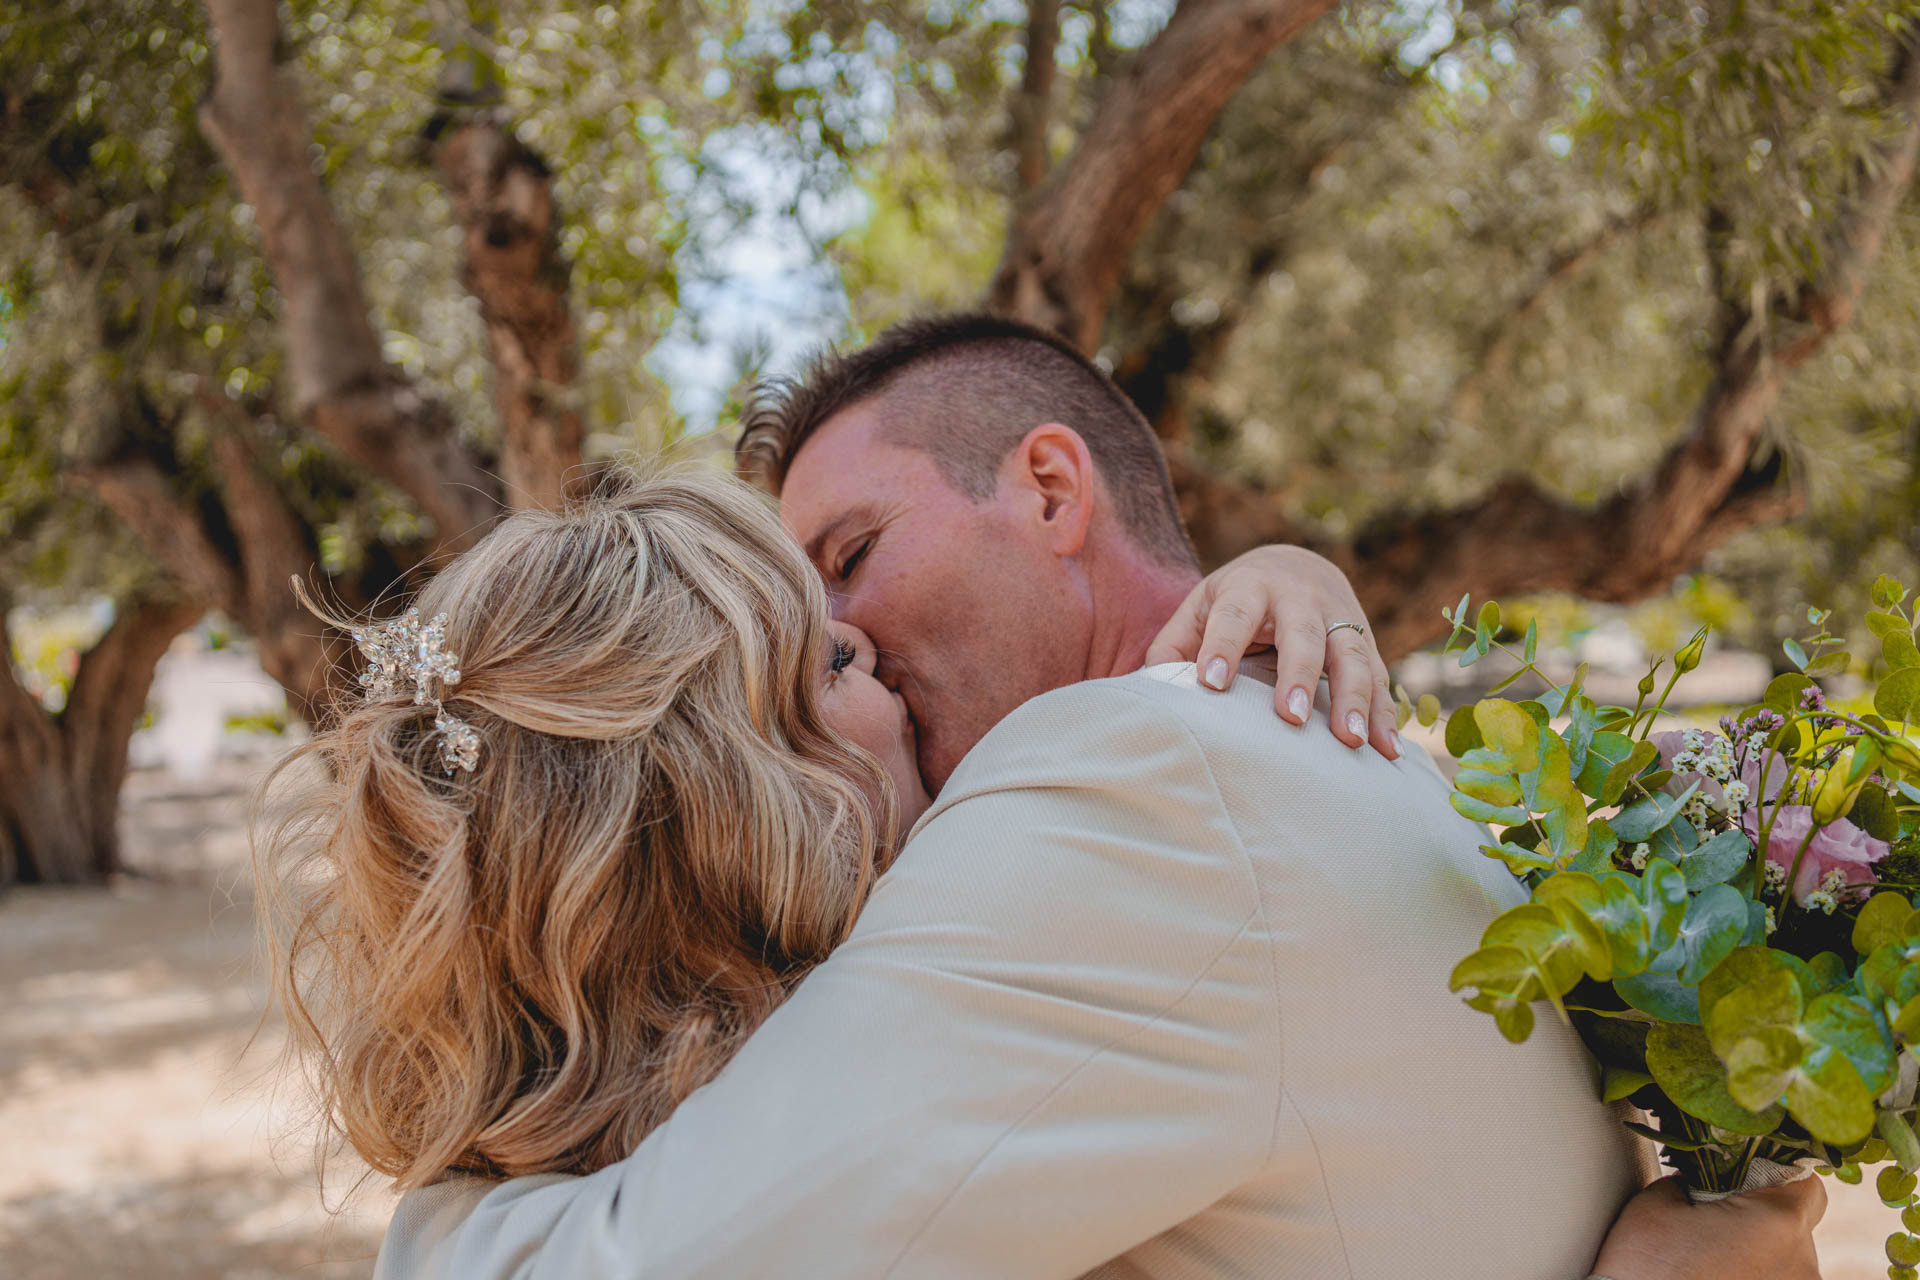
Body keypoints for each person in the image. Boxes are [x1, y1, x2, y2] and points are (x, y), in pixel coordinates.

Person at [329, 322, 1824, 1277]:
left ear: (1052, 492)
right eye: (800, 659)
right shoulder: (1272, 754)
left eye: (847, 566)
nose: (854, 659)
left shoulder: (1137, 781)